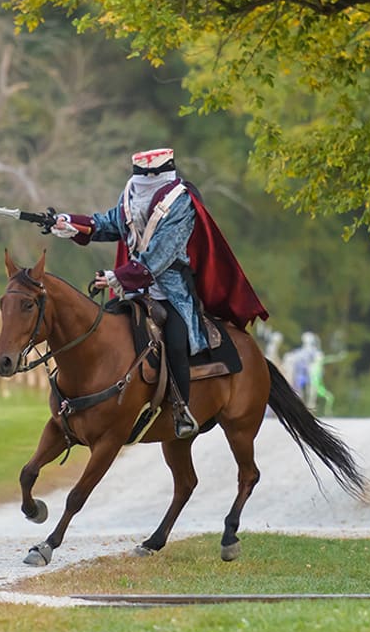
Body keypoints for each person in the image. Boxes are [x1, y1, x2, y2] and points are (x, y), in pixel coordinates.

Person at [51, 148, 268, 438]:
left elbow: (160, 256)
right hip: (134, 294)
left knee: (176, 341)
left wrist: (118, 276)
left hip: (172, 292)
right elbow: (109, 223)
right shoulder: (131, 193)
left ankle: (181, 410)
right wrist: (69, 223)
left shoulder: (181, 203)